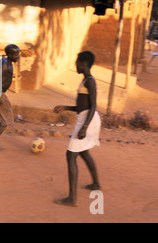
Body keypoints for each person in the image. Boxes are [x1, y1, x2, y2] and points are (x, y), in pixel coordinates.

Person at [53, 50, 101, 207]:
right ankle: (96, 184)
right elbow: (82, 106)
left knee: (71, 155)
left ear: (84, 64)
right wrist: (66, 107)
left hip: (88, 121)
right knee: (84, 152)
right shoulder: (85, 80)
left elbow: (93, 106)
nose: (76, 65)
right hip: (85, 119)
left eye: (78, 62)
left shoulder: (90, 82)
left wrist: (84, 128)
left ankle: (72, 198)